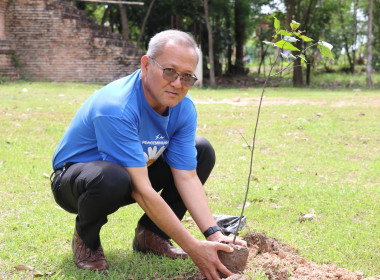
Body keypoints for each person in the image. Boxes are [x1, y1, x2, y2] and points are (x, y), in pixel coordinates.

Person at [50, 29, 246, 280]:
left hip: (132, 173)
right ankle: (86, 242)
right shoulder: (116, 106)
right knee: (112, 177)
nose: (177, 83)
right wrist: (193, 247)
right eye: (169, 71)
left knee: (202, 151)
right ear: (145, 64)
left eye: (187, 77)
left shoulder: (183, 108)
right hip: (76, 182)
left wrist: (213, 233)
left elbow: (186, 177)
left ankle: (151, 237)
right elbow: (141, 189)